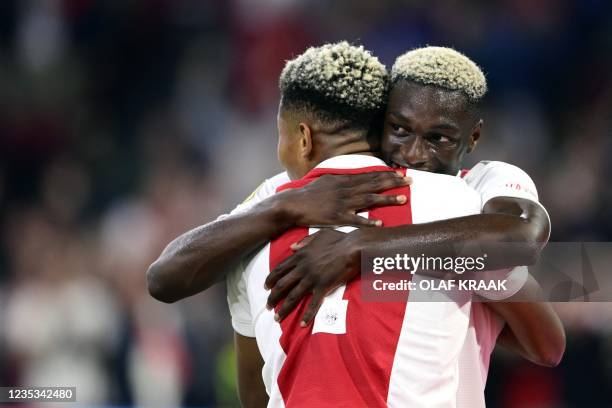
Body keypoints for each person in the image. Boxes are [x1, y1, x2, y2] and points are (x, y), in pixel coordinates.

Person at [147, 45, 564, 406]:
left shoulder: (480, 195)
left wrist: (362, 252)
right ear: (380, 121)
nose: (415, 154)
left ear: (472, 138)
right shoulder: (456, 208)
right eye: (399, 130)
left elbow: (523, 238)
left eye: (438, 138)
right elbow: (554, 332)